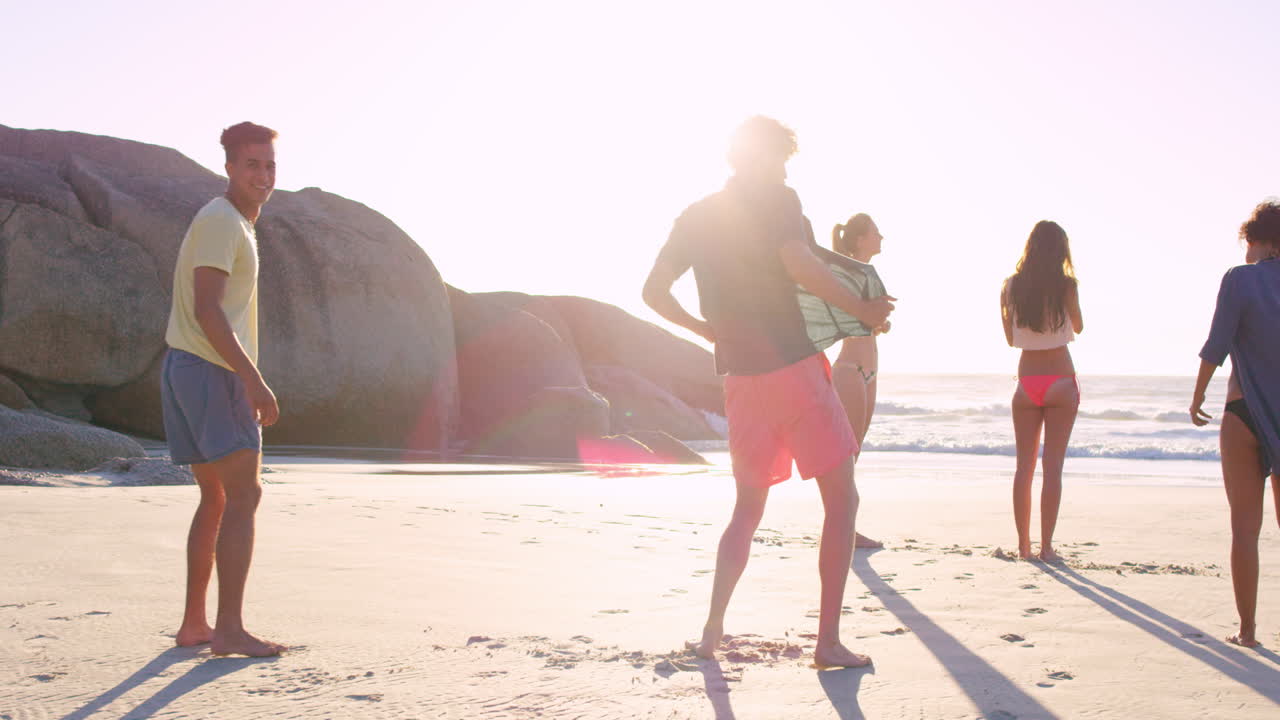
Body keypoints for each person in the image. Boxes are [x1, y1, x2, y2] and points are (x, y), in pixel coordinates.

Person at [643, 116, 895, 669]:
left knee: (747, 509)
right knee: (842, 500)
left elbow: (653, 292)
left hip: (739, 379)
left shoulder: (696, 216)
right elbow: (799, 263)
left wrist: (705, 330)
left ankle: (711, 633)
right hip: (793, 369)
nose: (784, 171)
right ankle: (827, 643)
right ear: (767, 155)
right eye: (781, 159)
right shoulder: (779, 200)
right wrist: (862, 310)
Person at [164, 121, 283, 657]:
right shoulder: (221, 221)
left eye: (270, 165)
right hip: (211, 370)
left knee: (215, 496)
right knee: (244, 495)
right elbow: (208, 308)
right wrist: (253, 379)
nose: (263, 175)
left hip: (188, 366)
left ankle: (196, 624)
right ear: (229, 167)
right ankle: (229, 628)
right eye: (252, 164)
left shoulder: (231, 222)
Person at [1190, 200, 1280, 648]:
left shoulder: (1240, 278)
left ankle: (1247, 632)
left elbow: (1217, 344)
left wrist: (1197, 395)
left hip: (1243, 413)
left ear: (1260, 241)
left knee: (1245, 530)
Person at [1000, 220, 1084, 562]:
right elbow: (1079, 326)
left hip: (1027, 383)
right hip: (1061, 379)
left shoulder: (1010, 286)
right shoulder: (1066, 285)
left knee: (1024, 468)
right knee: (1053, 468)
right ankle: (1046, 547)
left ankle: (1024, 546)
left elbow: (1010, 339)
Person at [828, 214, 889, 549]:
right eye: (876, 233)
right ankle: (843, 528)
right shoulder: (848, 273)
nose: (882, 237)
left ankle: (845, 526)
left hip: (869, 371)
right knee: (846, 457)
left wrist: (879, 322)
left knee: (855, 455)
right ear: (861, 239)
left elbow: (871, 322)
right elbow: (844, 318)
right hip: (850, 370)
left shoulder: (868, 273)